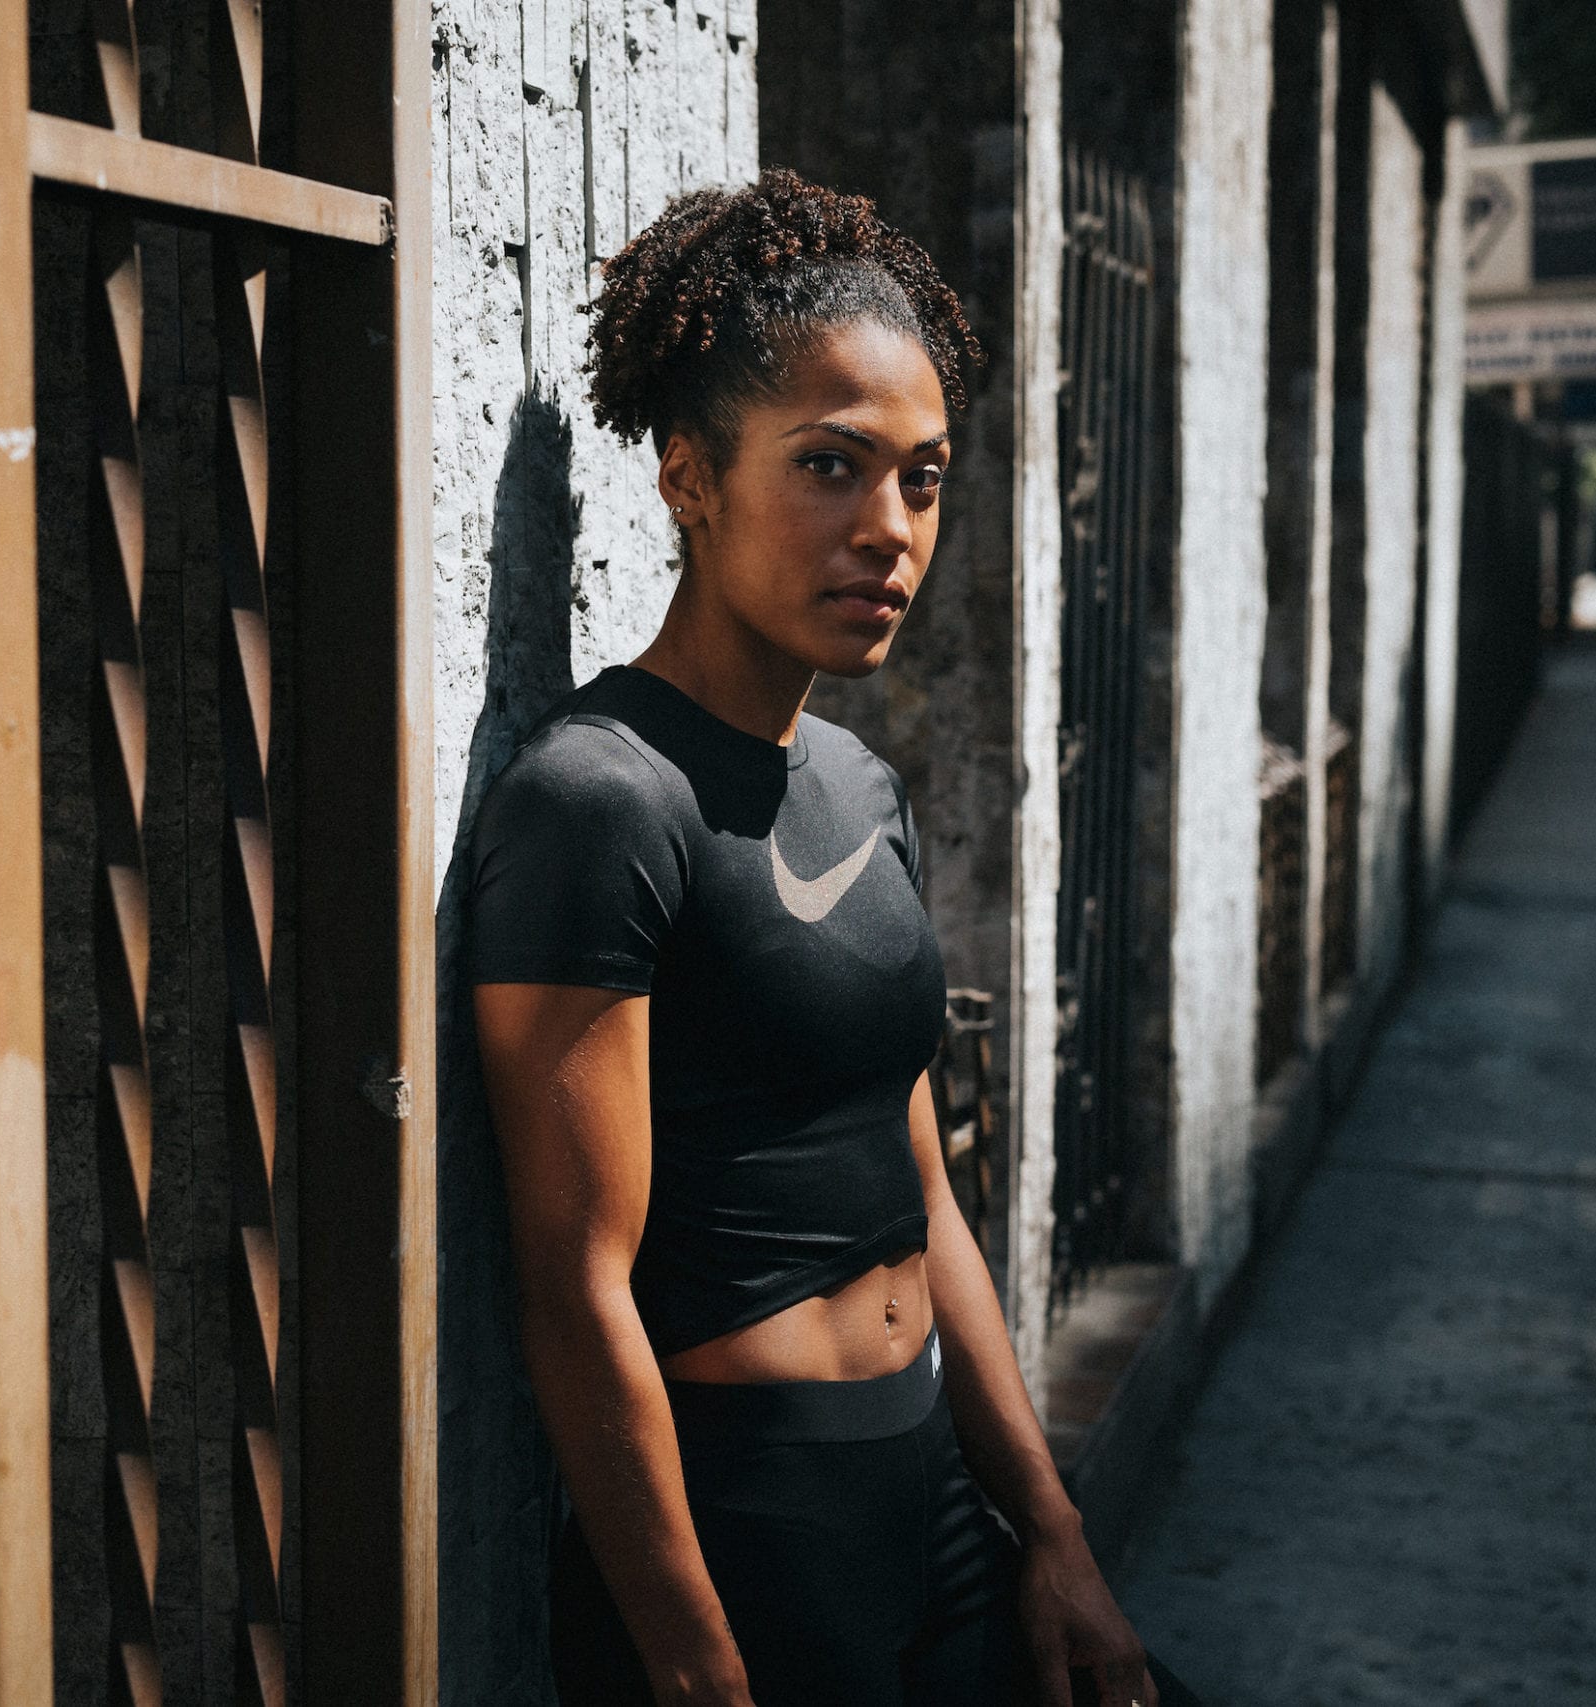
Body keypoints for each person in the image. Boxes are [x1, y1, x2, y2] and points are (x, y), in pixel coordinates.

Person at [466, 170, 1177, 1707]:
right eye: (831, 466)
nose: (890, 529)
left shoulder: (858, 782)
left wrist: (1051, 1530)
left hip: (930, 1491)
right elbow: (575, 1288)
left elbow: (917, 1182)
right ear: (689, 478)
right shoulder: (599, 803)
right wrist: (695, 1660)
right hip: (747, 1533)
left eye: (922, 478)